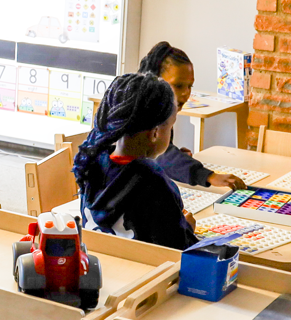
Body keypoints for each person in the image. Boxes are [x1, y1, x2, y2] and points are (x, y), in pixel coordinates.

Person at [73, 73, 197, 249]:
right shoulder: (154, 181)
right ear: (155, 133)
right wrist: (187, 228)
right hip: (146, 273)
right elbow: (176, 250)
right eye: (170, 126)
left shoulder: (93, 163)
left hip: (100, 264)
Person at [138, 41, 247, 190]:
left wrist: (178, 156)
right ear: (155, 81)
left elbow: (159, 152)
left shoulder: (163, 112)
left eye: (190, 86)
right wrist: (208, 175)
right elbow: (161, 157)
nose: (186, 93)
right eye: (178, 85)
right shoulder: (141, 113)